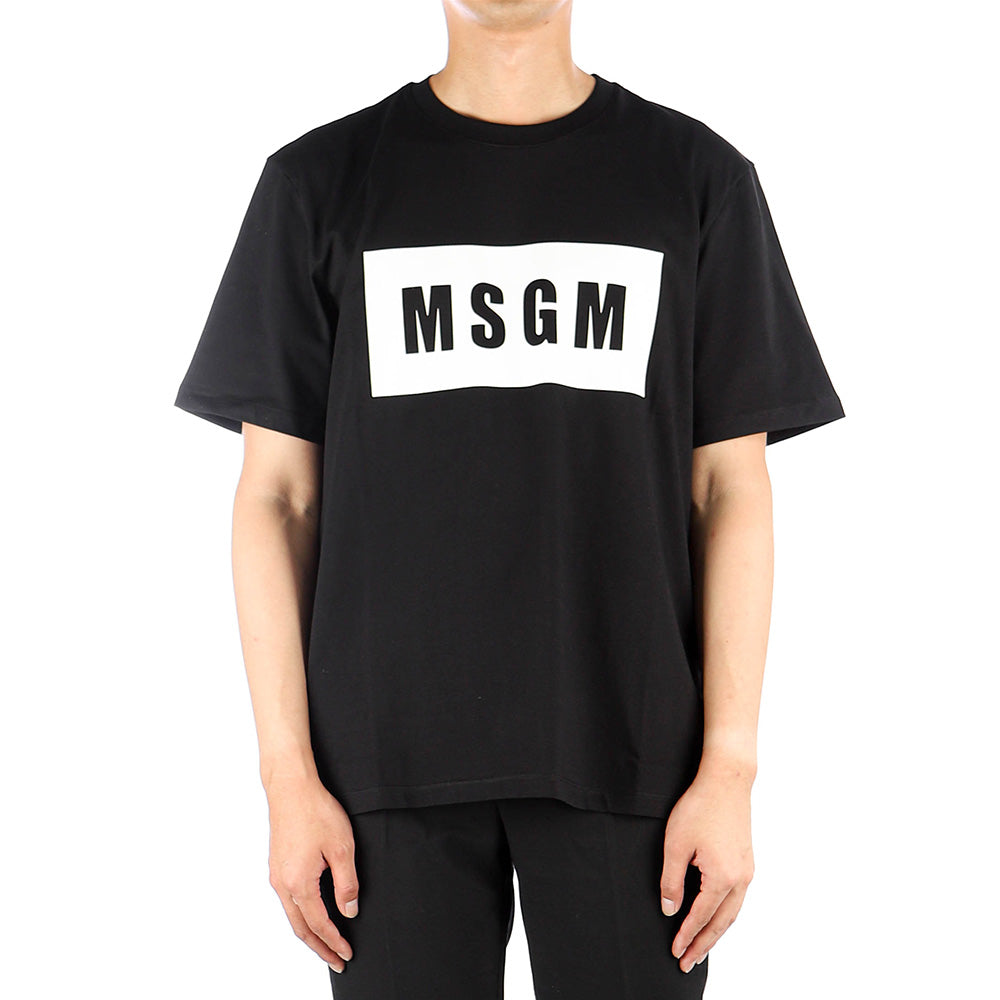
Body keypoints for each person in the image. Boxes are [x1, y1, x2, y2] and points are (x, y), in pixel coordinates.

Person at [173, 1, 845, 996]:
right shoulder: (317, 183)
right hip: (378, 774)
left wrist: (729, 769)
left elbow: (730, 487)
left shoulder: (696, 181)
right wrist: (287, 777)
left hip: (635, 759)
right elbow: (276, 498)